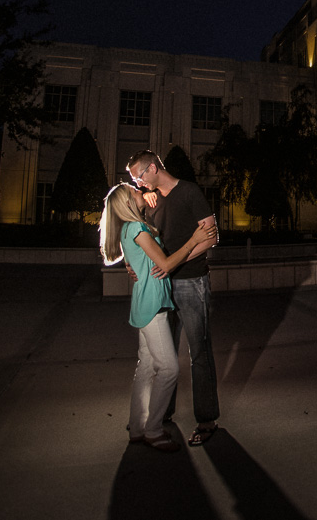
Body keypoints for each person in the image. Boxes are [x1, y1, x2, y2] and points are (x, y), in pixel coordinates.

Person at [99, 183, 215, 452]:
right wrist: (195, 239)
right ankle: (153, 429)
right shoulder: (137, 229)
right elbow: (165, 264)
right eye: (134, 191)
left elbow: (143, 261)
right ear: (128, 202)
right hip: (153, 306)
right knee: (169, 369)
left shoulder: (130, 229)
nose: (140, 190)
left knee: (146, 367)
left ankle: (138, 427)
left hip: (143, 302)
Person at [127, 149, 221, 447]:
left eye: (139, 177)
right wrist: (132, 265)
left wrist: (173, 263)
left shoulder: (189, 192)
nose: (137, 184)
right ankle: (161, 414)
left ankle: (206, 420)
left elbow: (211, 237)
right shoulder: (149, 200)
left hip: (192, 282)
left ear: (153, 168)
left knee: (199, 352)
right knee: (162, 356)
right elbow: (131, 227)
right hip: (162, 286)